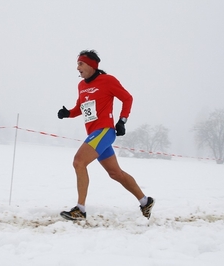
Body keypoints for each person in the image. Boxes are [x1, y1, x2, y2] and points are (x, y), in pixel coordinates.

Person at [57, 49, 154, 221]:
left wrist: (122, 120)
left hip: (104, 132)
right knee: (115, 173)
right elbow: (81, 108)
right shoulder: (81, 86)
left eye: (81, 63)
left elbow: (127, 98)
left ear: (92, 65)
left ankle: (80, 209)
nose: (77, 68)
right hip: (95, 134)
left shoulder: (107, 81)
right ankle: (145, 201)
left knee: (79, 162)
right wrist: (68, 113)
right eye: (77, 64)